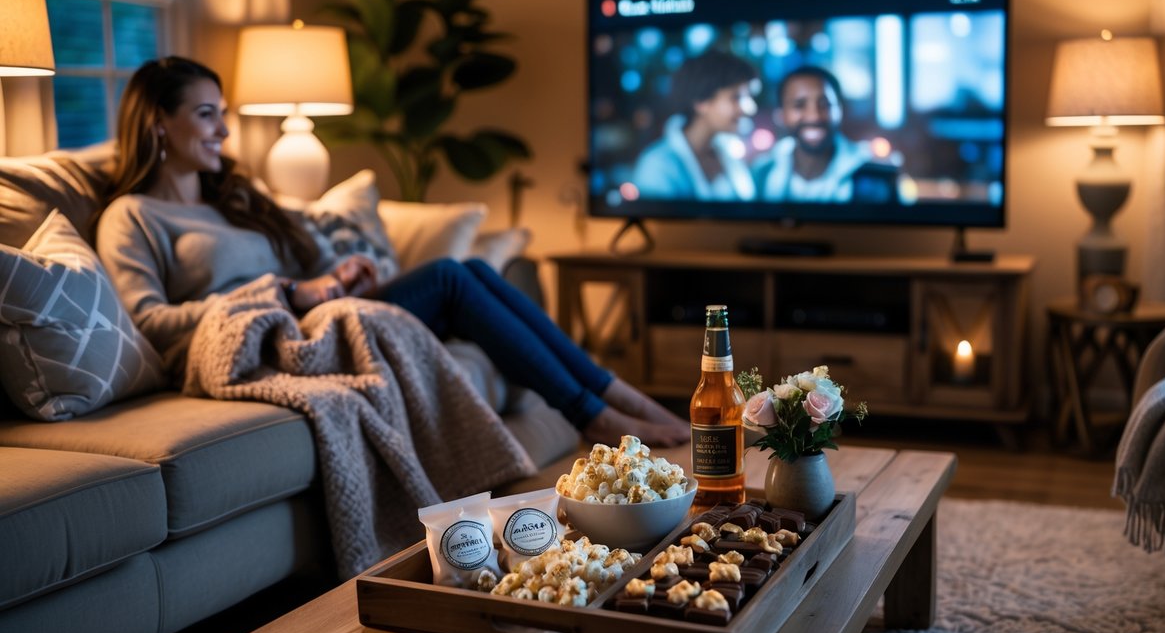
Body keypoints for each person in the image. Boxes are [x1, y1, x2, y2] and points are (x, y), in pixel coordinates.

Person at [94, 56, 689, 448]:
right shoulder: (134, 216)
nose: (224, 130)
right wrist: (283, 295)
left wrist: (338, 274)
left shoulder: (235, 198)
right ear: (156, 123)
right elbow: (148, 325)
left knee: (473, 270)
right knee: (452, 279)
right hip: (270, 341)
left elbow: (307, 272)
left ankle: (616, 397)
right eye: (206, 115)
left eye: (222, 114)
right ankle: (597, 415)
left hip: (320, 315)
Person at [631, 50, 759, 201]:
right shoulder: (657, 166)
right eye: (736, 97)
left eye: (748, 97)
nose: (750, 108)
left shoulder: (728, 156)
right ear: (701, 101)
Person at [753, 65, 886, 202]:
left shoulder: (874, 174)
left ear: (840, 110)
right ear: (781, 115)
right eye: (799, 105)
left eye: (825, 104)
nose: (814, 116)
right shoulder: (762, 173)